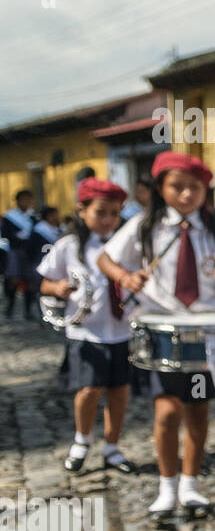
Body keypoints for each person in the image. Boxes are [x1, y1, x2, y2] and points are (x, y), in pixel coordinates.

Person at [98, 152, 215, 519]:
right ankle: (166, 485)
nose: (187, 195)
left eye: (195, 188)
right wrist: (125, 277)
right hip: (162, 335)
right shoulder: (144, 226)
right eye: (177, 187)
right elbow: (106, 258)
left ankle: (191, 484)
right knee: (167, 411)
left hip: (205, 334)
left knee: (199, 409)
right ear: (160, 188)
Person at [37, 179, 135, 474]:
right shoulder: (68, 246)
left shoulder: (125, 244)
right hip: (86, 330)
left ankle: (112, 447)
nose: (108, 220)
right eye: (101, 212)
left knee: (119, 390)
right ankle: (82, 439)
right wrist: (59, 287)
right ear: (82, 210)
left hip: (121, 329)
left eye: (115, 214)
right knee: (89, 389)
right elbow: (44, 282)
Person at [3, 189, 38, 320]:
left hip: (29, 252)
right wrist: (17, 237)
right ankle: (10, 307)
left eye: (28, 199)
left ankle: (28, 310)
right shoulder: (10, 216)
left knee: (29, 280)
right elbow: (5, 233)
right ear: (17, 201)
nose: (26, 202)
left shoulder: (33, 216)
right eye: (23, 199)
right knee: (13, 280)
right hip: (15, 251)